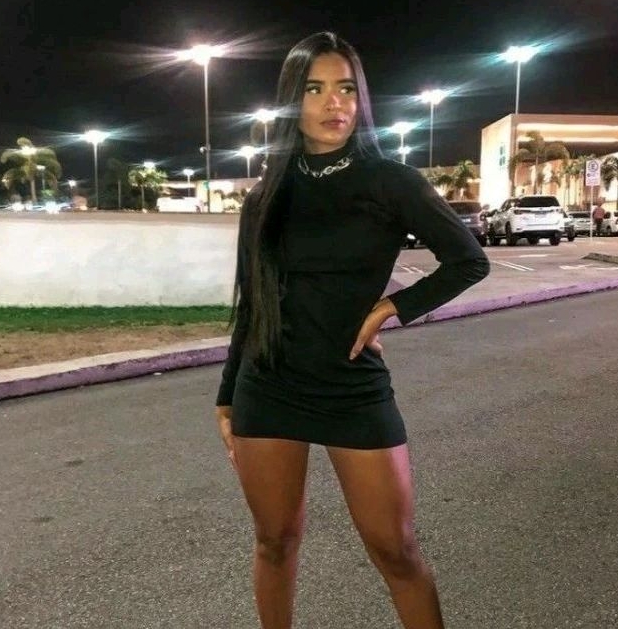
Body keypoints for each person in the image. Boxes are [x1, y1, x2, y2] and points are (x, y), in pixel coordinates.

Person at [215, 31, 490, 629]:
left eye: (345, 88)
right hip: (269, 386)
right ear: (292, 100)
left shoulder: (390, 181)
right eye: (315, 89)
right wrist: (228, 394)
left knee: (398, 551)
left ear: (361, 98)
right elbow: (253, 301)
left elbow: (469, 260)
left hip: (351, 387)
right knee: (274, 543)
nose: (333, 103)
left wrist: (393, 306)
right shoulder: (266, 196)